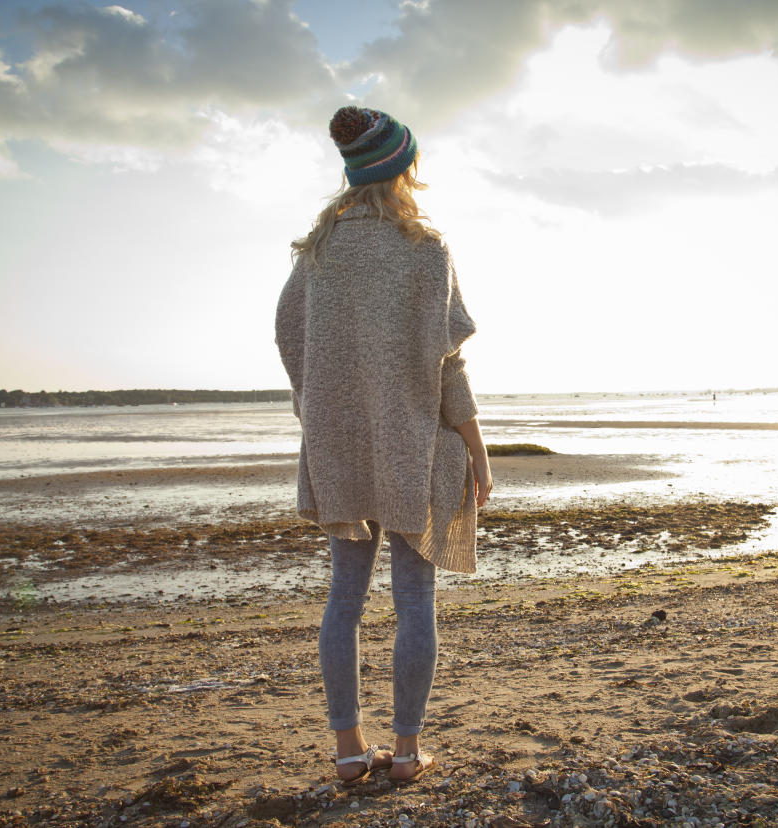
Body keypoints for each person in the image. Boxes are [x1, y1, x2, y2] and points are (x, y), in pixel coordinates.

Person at [275, 106, 493, 786]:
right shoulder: (425, 250)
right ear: (403, 168)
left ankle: (347, 751)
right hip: (410, 450)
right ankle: (404, 753)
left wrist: (324, 408)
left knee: (344, 598)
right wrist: (477, 447)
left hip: (338, 446)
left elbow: (289, 338)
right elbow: (446, 364)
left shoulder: (319, 254)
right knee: (414, 602)